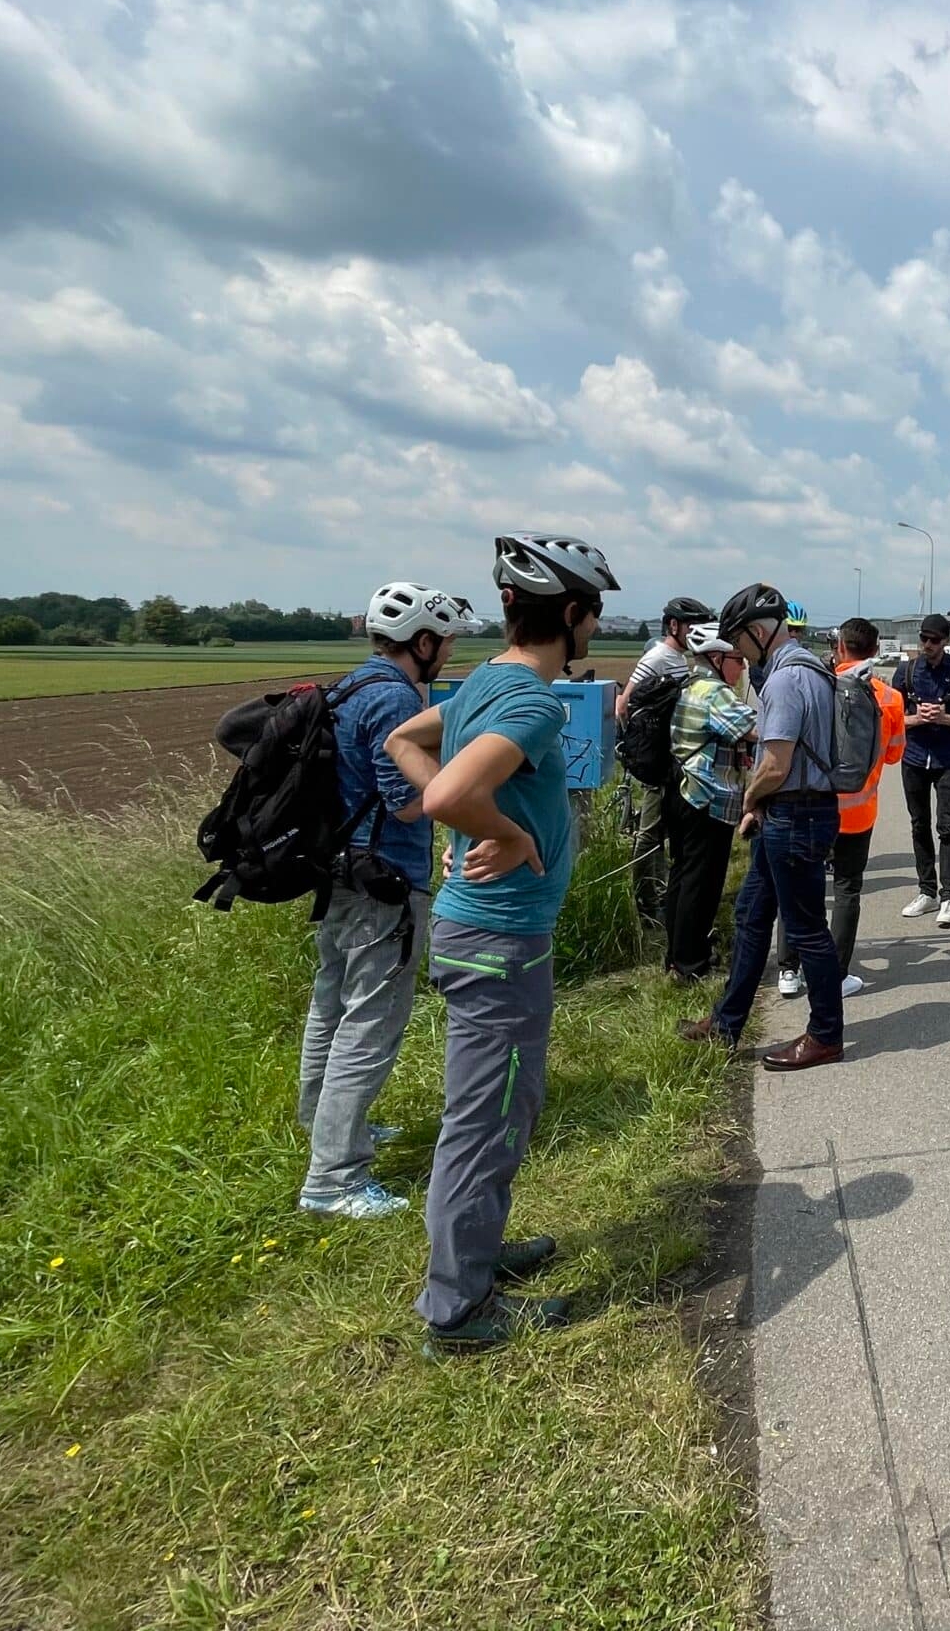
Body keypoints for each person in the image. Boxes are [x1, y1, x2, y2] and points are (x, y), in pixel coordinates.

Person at [385, 531, 619, 1355]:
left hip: (481, 931)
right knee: (484, 1120)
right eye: (597, 613)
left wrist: (484, 817)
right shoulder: (531, 702)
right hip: (499, 937)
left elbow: (404, 745)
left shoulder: (485, 680)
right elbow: (447, 787)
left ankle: (478, 1253)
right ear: (578, 615)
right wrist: (508, 833)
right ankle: (458, 1310)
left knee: (497, 1108)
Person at [295, 581, 467, 1220]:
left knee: (331, 1005)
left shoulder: (348, 687)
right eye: (445, 644)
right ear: (422, 642)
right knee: (372, 1019)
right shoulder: (395, 699)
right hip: (385, 878)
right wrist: (464, 782)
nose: (446, 655)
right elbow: (407, 799)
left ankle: (327, 1128)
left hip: (338, 869)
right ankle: (334, 1179)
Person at [678, 584, 850, 1069]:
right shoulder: (810, 669)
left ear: (758, 631)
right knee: (752, 916)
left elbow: (775, 762)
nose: (736, 651)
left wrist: (750, 800)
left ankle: (825, 1035)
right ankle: (728, 1022)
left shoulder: (783, 681)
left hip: (795, 815)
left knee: (806, 930)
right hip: (794, 811)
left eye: (739, 640)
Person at [779, 616, 905, 1000]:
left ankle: (788, 969)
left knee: (801, 886)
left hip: (814, 805)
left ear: (840, 648)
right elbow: (894, 756)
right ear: (875, 650)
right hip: (859, 813)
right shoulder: (890, 698)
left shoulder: (821, 687)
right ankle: (837, 972)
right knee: (848, 890)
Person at [660, 623, 755, 985]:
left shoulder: (690, 685)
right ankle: (691, 965)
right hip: (705, 798)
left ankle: (677, 957)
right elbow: (758, 729)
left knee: (683, 876)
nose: (742, 668)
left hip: (682, 793)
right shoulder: (715, 693)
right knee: (702, 881)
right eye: (738, 660)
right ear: (716, 658)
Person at [619, 594, 716, 919]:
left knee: (660, 831)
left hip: (669, 758)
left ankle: (658, 895)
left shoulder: (676, 658)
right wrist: (640, 745)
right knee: (649, 832)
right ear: (673, 625)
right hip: (655, 759)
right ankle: (646, 902)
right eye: (691, 626)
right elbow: (625, 703)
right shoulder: (659, 656)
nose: (695, 633)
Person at [891, 613, 950, 929]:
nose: (928, 645)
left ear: (946, 641)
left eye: (934, 640)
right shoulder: (906, 672)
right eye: (924, 639)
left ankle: (948, 897)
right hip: (914, 757)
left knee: (947, 826)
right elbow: (891, 720)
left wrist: (947, 719)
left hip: (947, 759)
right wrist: (917, 718)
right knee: (919, 824)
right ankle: (926, 890)